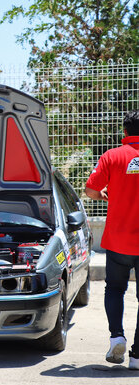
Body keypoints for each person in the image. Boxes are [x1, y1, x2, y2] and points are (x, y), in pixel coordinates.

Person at [85, 109, 139, 370]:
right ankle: (138, 356)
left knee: (115, 290)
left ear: (125, 132)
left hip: (118, 240)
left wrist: (105, 194)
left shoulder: (112, 156)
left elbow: (91, 190)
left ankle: (116, 335)